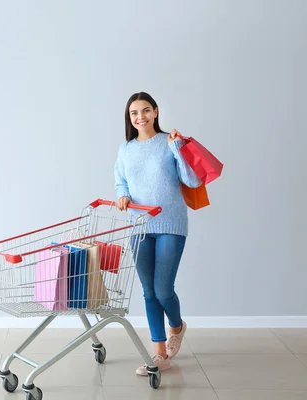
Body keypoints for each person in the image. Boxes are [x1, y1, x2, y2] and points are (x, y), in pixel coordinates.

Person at [113, 92, 202, 376]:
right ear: (129, 118)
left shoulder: (169, 142)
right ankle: (160, 353)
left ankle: (177, 326)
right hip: (138, 226)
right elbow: (121, 182)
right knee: (149, 292)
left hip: (171, 225)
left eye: (145, 111)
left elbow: (192, 179)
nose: (140, 117)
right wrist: (123, 195)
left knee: (163, 289)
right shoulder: (125, 149)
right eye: (134, 113)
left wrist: (177, 148)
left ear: (156, 112)